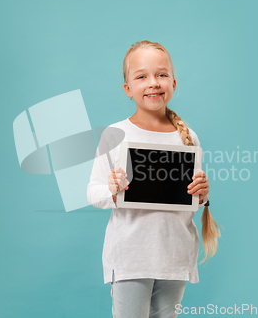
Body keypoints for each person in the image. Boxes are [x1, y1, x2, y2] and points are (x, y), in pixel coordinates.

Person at [87, 40, 221, 318]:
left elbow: (189, 201)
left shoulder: (188, 137)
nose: (153, 83)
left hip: (175, 255)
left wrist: (202, 193)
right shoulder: (115, 134)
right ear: (128, 89)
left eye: (161, 75)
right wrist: (112, 190)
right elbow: (93, 193)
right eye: (141, 76)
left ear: (173, 82)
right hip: (131, 257)